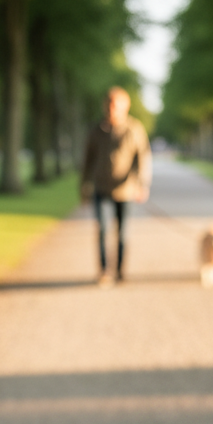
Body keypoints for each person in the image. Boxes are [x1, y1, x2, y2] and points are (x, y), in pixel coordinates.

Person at [80, 87, 152, 286]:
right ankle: (104, 271)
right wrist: (84, 186)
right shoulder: (96, 131)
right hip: (101, 189)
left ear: (125, 107)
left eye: (116, 105)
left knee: (122, 232)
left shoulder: (134, 129)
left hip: (126, 190)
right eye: (109, 105)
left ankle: (120, 271)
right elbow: (88, 160)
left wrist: (142, 184)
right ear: (105, 106)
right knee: (102, 229)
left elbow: (143, 158)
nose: (112, 109)